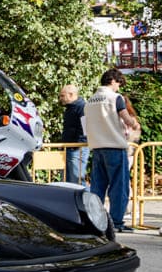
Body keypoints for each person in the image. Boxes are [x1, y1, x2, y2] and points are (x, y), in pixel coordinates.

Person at [83, 68, 140, 233]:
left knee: (97, 187)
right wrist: (134, 124)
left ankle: (96, 221)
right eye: (119, 84)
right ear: (113, 81)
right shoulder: (115, 98)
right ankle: (116, 222)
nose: (119, 87)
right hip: (114, 147)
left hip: (97, 148)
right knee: (119, 187)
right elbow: (126, 119)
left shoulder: (90, 100)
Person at [58, 84, 88, 185]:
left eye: (62, 95)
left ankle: (85, 200)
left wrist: (78, 146)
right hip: (70, 148)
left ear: (71, 95)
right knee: (68, 180)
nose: (60, 98)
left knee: (77, 180)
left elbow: (85, 129)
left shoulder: (82, 107)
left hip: (77, 149)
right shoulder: (70, 108)